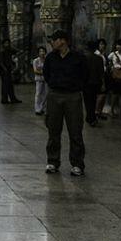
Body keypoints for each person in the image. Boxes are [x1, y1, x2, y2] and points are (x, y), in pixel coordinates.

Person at [42, 30, 87, 177]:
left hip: (72, 96)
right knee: (53, 130)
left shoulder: (77, 58)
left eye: (54, 40)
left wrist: (75, 86)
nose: (52, 43)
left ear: (63, 41)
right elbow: (46, 74)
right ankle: (53, 161)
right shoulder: (50, 58)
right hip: (55, 95)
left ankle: (77, 163)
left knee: (75, 131)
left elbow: (84, 75)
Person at [83, 41, 105, 127]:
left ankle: (90, 117)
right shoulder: (99, 59)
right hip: (96, 83)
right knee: (93, 100)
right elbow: (101, 73)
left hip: (86, 83)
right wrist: (103, 84)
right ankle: (91, 118)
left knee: (87, 101)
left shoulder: (84, 58)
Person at [107, 40, 121, 119]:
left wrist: (120, 63)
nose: (117, 47)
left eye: (119, 45)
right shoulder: (113, 54)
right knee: (114, 94)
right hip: (114, 75)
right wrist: (110, 67)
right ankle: (112, 110)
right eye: (117, 45)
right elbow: (108, 61)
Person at [0, 39, 20, 104]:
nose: (7, 44)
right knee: (5, 85)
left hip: (9, 69)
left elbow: (17, 51)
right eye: (6, 43)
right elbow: (0, 62)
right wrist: (4, 69)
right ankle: (4, 99)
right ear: (3, 44)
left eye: (8, 43)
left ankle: (13, 98)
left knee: (10, 84)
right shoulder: (2, 51)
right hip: (4, 70)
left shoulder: (9, 50)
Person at [95, 38, 110, 120]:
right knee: (101, 94)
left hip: (105, 75)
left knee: (104, 95)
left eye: (103, 44)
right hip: (99, 76)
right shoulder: (96, 54)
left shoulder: (104, 54)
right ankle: (96, 111)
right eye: (101, 44)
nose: (102, 46)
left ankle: (100, 111)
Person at [32, 45, 47, 116]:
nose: (42, 53)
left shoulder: (47, 60)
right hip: (39, 80)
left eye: (43, 51)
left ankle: (43, 108)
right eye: (40, 51)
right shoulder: (36, 61)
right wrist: (43, 72)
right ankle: (37, 109)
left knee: (45, 94)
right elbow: (35, 71)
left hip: (46, 79)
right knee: (38, 94)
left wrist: (41, 71)